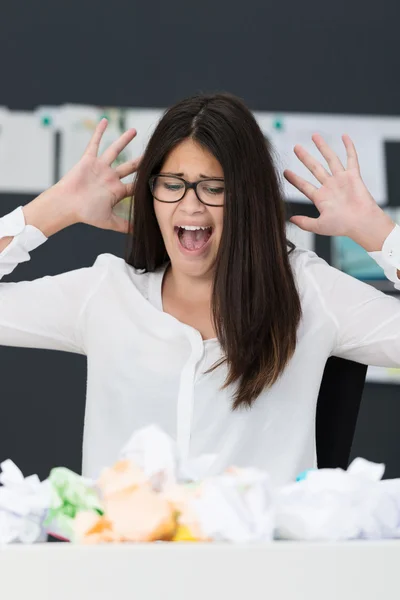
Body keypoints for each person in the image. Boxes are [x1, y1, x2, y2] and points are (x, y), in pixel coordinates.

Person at [1, 93, 399, 486]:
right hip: (122, 548)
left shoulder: (309, 292)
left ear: (248, 198)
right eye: (172, 184)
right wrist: (52, 210)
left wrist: (376, 232)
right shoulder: (107, 294)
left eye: (214, 188)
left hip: (261, 550)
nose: (191, 206)